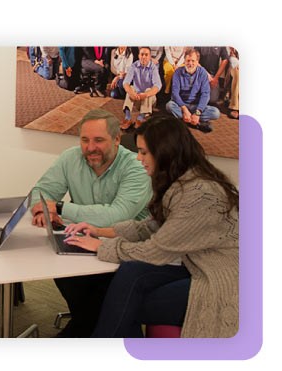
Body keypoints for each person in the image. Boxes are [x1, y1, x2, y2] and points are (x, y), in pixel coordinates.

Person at [63, 115, 239, 338]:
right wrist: (97, 231)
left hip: (219, 277)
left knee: (127, 304)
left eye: (144, 152)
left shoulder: (199, 193)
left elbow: (155, 250)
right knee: (129, 276)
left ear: (166, 152)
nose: (138, 158)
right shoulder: (181, 182)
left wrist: (101, 246)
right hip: (193, 263)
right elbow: (148, 228)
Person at [30, 109, 153, 337]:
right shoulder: (71, 157)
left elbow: (118, 216)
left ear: (117, 140)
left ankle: (80, 333)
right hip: (80, 241)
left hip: (123, 248)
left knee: (97, 303)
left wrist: (59, 207)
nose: (90, 147)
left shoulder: (136, 168)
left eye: (98, 140)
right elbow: (40, 192)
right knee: (61, 267)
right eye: (84, 140)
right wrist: (42, 211)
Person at [166, 48, 220, 133]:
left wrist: (198, 112)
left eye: (193, 61)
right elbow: (175, 94)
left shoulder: (202, 72)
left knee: (215, 113)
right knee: (169, 106)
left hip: (196, 105)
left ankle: (187, 120)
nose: (190, 63)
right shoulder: (177, 72)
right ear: (184, 61)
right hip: (182, 105)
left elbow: (205, 94)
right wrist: (184, 110)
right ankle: (196, 123)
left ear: (197, 62)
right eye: (188, 61)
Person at [120, 47, 162, 130]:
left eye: (146, 55)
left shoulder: (153, 68)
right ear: (138, 55)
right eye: (142, 54)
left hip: (149, 100)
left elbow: (158, 86)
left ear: (150, 56)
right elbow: (126, 82)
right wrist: (131, 93)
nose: (144, 57)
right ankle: (128, 118)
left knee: (149, 90)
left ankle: (140, 119)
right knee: (130, 87)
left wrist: (146, 94)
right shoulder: (134, 65)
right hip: (137, 98)